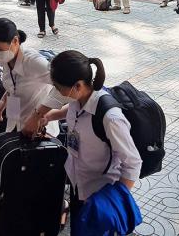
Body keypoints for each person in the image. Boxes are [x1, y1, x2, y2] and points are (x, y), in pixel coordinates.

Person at [33, 50, 142, 235]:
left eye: (59, 88)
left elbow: (133, 163)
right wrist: (49, 116)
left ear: (77, 85)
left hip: (100, 194)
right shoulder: (79, 99)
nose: (58, 93)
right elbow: (71, 110)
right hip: (80, 185)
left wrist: (112, 202)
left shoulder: (111, 117)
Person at [0, 18, 67, 139]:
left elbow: (66, 88)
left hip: (39, 133)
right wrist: (3, 102)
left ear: (15, 41)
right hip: (15, 126)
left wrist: (38, 115)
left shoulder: (34, 62)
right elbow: (14, 86)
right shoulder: (7, 59)